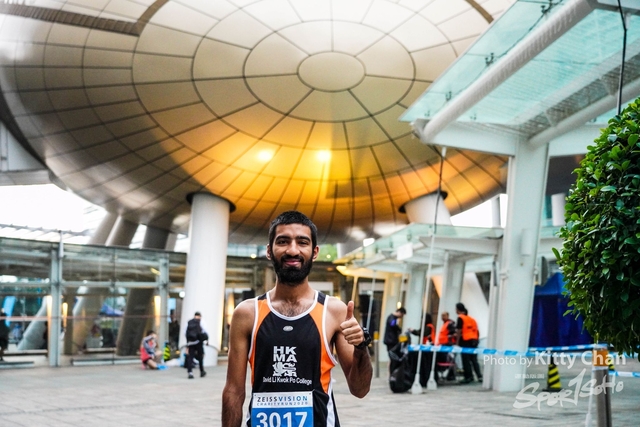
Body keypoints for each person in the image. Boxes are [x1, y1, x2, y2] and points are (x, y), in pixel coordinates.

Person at [222, 211, 372, 427]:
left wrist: (361, 347)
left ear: (314, 252)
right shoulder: (247, 313)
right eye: (283, 241)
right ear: (269, 250)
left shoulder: (334, 311)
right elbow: (233, 390)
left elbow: (360, 389)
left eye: (302, 242)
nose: (293, 250)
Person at [455, 303, 482, 383]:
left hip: (465, 340)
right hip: (474, 340)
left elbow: (459, 331)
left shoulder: (460, 318)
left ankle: (468, 377)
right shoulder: (472, 319)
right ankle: (479, 376)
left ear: (458, 309)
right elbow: (477, 331)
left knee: (466, 360)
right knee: (474, 359)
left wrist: (457, 342)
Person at [185, 311, 207, 379]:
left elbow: (185, 332)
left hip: (190, 342)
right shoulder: (201, 321)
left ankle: (190, 372)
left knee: (190, 357)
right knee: (200, 356)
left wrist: (187, 343)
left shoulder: (189, 322)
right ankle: (202, 371)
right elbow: (204, 331)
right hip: (198, 342)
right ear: (200, 316)